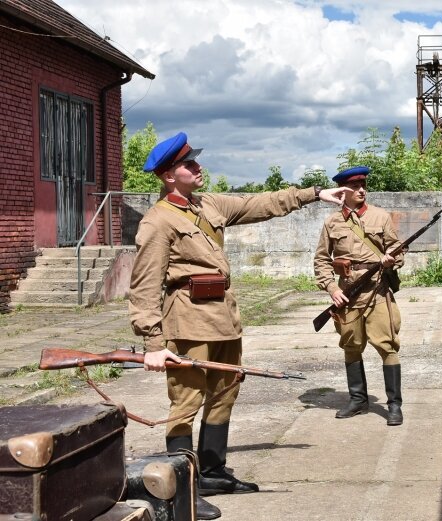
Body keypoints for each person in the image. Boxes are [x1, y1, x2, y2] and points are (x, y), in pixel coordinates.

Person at [129, 131, 349, 520]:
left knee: (225, 392)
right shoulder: (157, 222)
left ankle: (212, 471)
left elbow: (260, 203)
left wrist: (314, 193)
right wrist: (152, 342)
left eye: (195, 161)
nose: (198, 167)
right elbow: (145, 284)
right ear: (168, 176)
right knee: (185, 404)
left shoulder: (206, 204)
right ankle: (184, 489)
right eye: (188, 164)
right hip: (187, 322)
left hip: (223, 319)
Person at [313, 166, 405, 426]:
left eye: (363, 185)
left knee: (386, 344)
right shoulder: (332, 222)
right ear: (343, 191)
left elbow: (397, 250)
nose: (361, 190)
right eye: (354, 186)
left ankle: (394, 405)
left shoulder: (380, 216)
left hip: (377, 290)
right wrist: (332, 289)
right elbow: (321, 260)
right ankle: (357, 400)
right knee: (351, 345)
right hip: (348, 293)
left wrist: (391, 260)